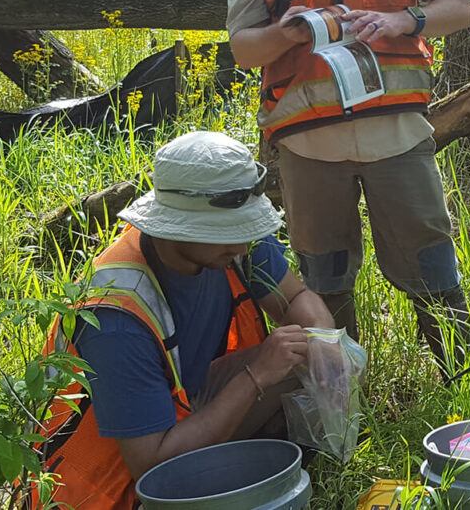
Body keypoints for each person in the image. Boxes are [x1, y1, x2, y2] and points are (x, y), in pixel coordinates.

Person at [227, 0, 470, 367]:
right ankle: (338, 404)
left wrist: (401, 19)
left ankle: (462, 385)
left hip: (397, 134)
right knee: (323, 280)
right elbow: (243, 47)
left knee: (432, 269)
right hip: (308, 144)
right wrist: (288, 35)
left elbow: (459, 7)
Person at [31, 131, 336, 509]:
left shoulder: (230, 244)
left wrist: (326, 345)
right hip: (109, 487)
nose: (243, 247)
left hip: (179, 413)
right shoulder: (115, 317)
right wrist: (256, 376)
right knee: (277, 363)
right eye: (228, 233)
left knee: (308, 350)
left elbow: (296, 297)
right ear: (176, 227)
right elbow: (152, 468)